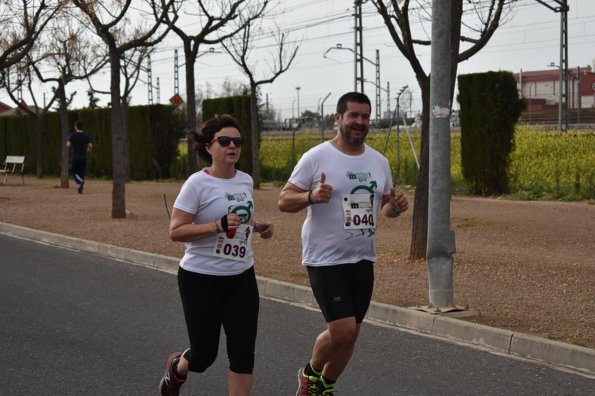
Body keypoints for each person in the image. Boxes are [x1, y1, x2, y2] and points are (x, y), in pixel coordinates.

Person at [278, 92, 409, 395]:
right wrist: (311, 196)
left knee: (351, 335)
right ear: (338, 118)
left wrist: (396, 206)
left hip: (362, 258)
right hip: (325, 259)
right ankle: (310, 374)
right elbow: (284, 200)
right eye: (353, 116)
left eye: (365, 117)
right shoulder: (316, 157)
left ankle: (325, 385)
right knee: (343, 330)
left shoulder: (378, 161)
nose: (360, 122)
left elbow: (385, 209)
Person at [159, 114, 274, 396]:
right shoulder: (197, 184)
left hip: (241, 277)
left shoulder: (245, 181)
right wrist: (215, 226)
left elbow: (239, 221)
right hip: (200, 279)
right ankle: (177, 368)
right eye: (224, 141)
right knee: (203, 356)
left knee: (243, 354)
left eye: (237, 141)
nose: (232, 146)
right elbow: (176, 231)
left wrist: (257, 227)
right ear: (209, 147)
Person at [66, 121, 92, 194]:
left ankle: (80, 182)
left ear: (76, 127)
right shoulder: (86, 136)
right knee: (81, 173)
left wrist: (70, 143)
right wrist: (88, 150)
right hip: (84, 157)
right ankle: (80, 188)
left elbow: (68, 145)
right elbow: (90, 145)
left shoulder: (72, 135)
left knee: (73, 172)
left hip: (75, 157)